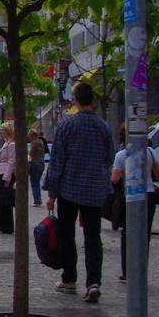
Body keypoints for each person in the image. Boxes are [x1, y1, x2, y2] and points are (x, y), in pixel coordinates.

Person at [44, 82, 115, 304]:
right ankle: (93, 282)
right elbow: (110, 158)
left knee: (67, 234)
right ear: (92, 100)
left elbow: (57, 162)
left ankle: (69, 278)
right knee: (93, 236)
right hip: (94, 191)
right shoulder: (103, 127)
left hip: (70, 188)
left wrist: (52, 193)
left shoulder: (67, 125)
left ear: (75, 100)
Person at [110, 125, 159, 283]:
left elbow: (115, 179)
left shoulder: (121, 155)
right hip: (149, 195)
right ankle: (142, 270)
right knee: (145, 234)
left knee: (128, 234)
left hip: (130, 196)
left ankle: (128, 271)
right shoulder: (150, 152)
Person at [0, 122, 15, 234]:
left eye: (2, 130)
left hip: (7, 175)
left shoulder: (12, 144)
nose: (1, 132)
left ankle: (6, 226)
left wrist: (7, 178)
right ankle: (1, 224)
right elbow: (5, 160)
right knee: (0, 201)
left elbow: (11, 162)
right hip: (3, 172)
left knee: (3, 201)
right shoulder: (7, 142)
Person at [28, 128, 46, 206]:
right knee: (37, 182)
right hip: (41, 163)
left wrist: (27, 151)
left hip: (35, 163)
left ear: (33, 135)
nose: (29, 137)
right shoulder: (41, 141)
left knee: (34, 182)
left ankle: (37, 200)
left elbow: (31, 154)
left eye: (29, 136)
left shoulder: (34, 142)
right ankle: (38, 199)